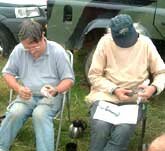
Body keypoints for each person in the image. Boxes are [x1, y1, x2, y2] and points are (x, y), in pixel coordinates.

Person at [86, 14, 165, 151]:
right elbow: (94, 75)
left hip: (134, 98)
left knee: (123, 130)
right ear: (112, 35)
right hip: (107, 94)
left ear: (134, 30)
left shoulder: (145, 43)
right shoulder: (105, 42)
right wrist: (114, 89)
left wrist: (153, 88)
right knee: (100, 127)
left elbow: (161, 72)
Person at [0, 20, 74, 151]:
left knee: (40, 115)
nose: (31, 52)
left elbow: (69, 79)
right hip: (28, 95)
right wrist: (18, 88)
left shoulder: (57, 51)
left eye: (34, 47)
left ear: (42, 37)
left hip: (51, 96)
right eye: (26, 48)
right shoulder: (19, 50)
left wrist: (56, 90)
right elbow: (7, 73)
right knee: (14, 113)